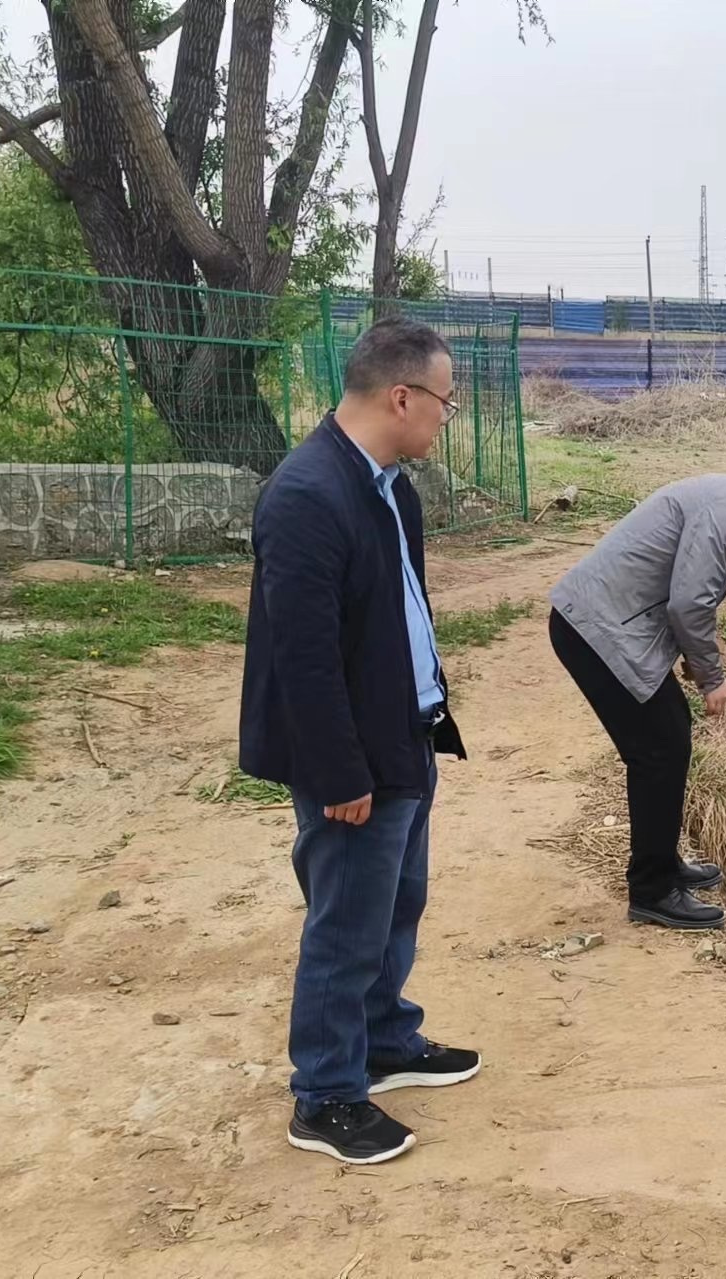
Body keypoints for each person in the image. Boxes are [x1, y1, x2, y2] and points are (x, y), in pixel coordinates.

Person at [239, 318, 479, 1166]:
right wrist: (340, 771)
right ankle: (327, 1094)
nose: (447, 416)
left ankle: (382, 1039)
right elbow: (301, 658)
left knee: (395, 906)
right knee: (345, 926)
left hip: (403, 731)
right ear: (401, 397)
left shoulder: (387, 488)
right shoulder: (307, 495)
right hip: (354, 758)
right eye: (446, 401)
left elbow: (396, 613)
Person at [549, 464, 726, 929]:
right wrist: (711, 677)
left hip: (610, 627)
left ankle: (663, 864)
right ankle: (652, 890)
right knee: (658, 749)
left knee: (670, 734)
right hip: (593, 628)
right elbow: (689, 604)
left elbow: (687, 596)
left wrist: (692, 654)